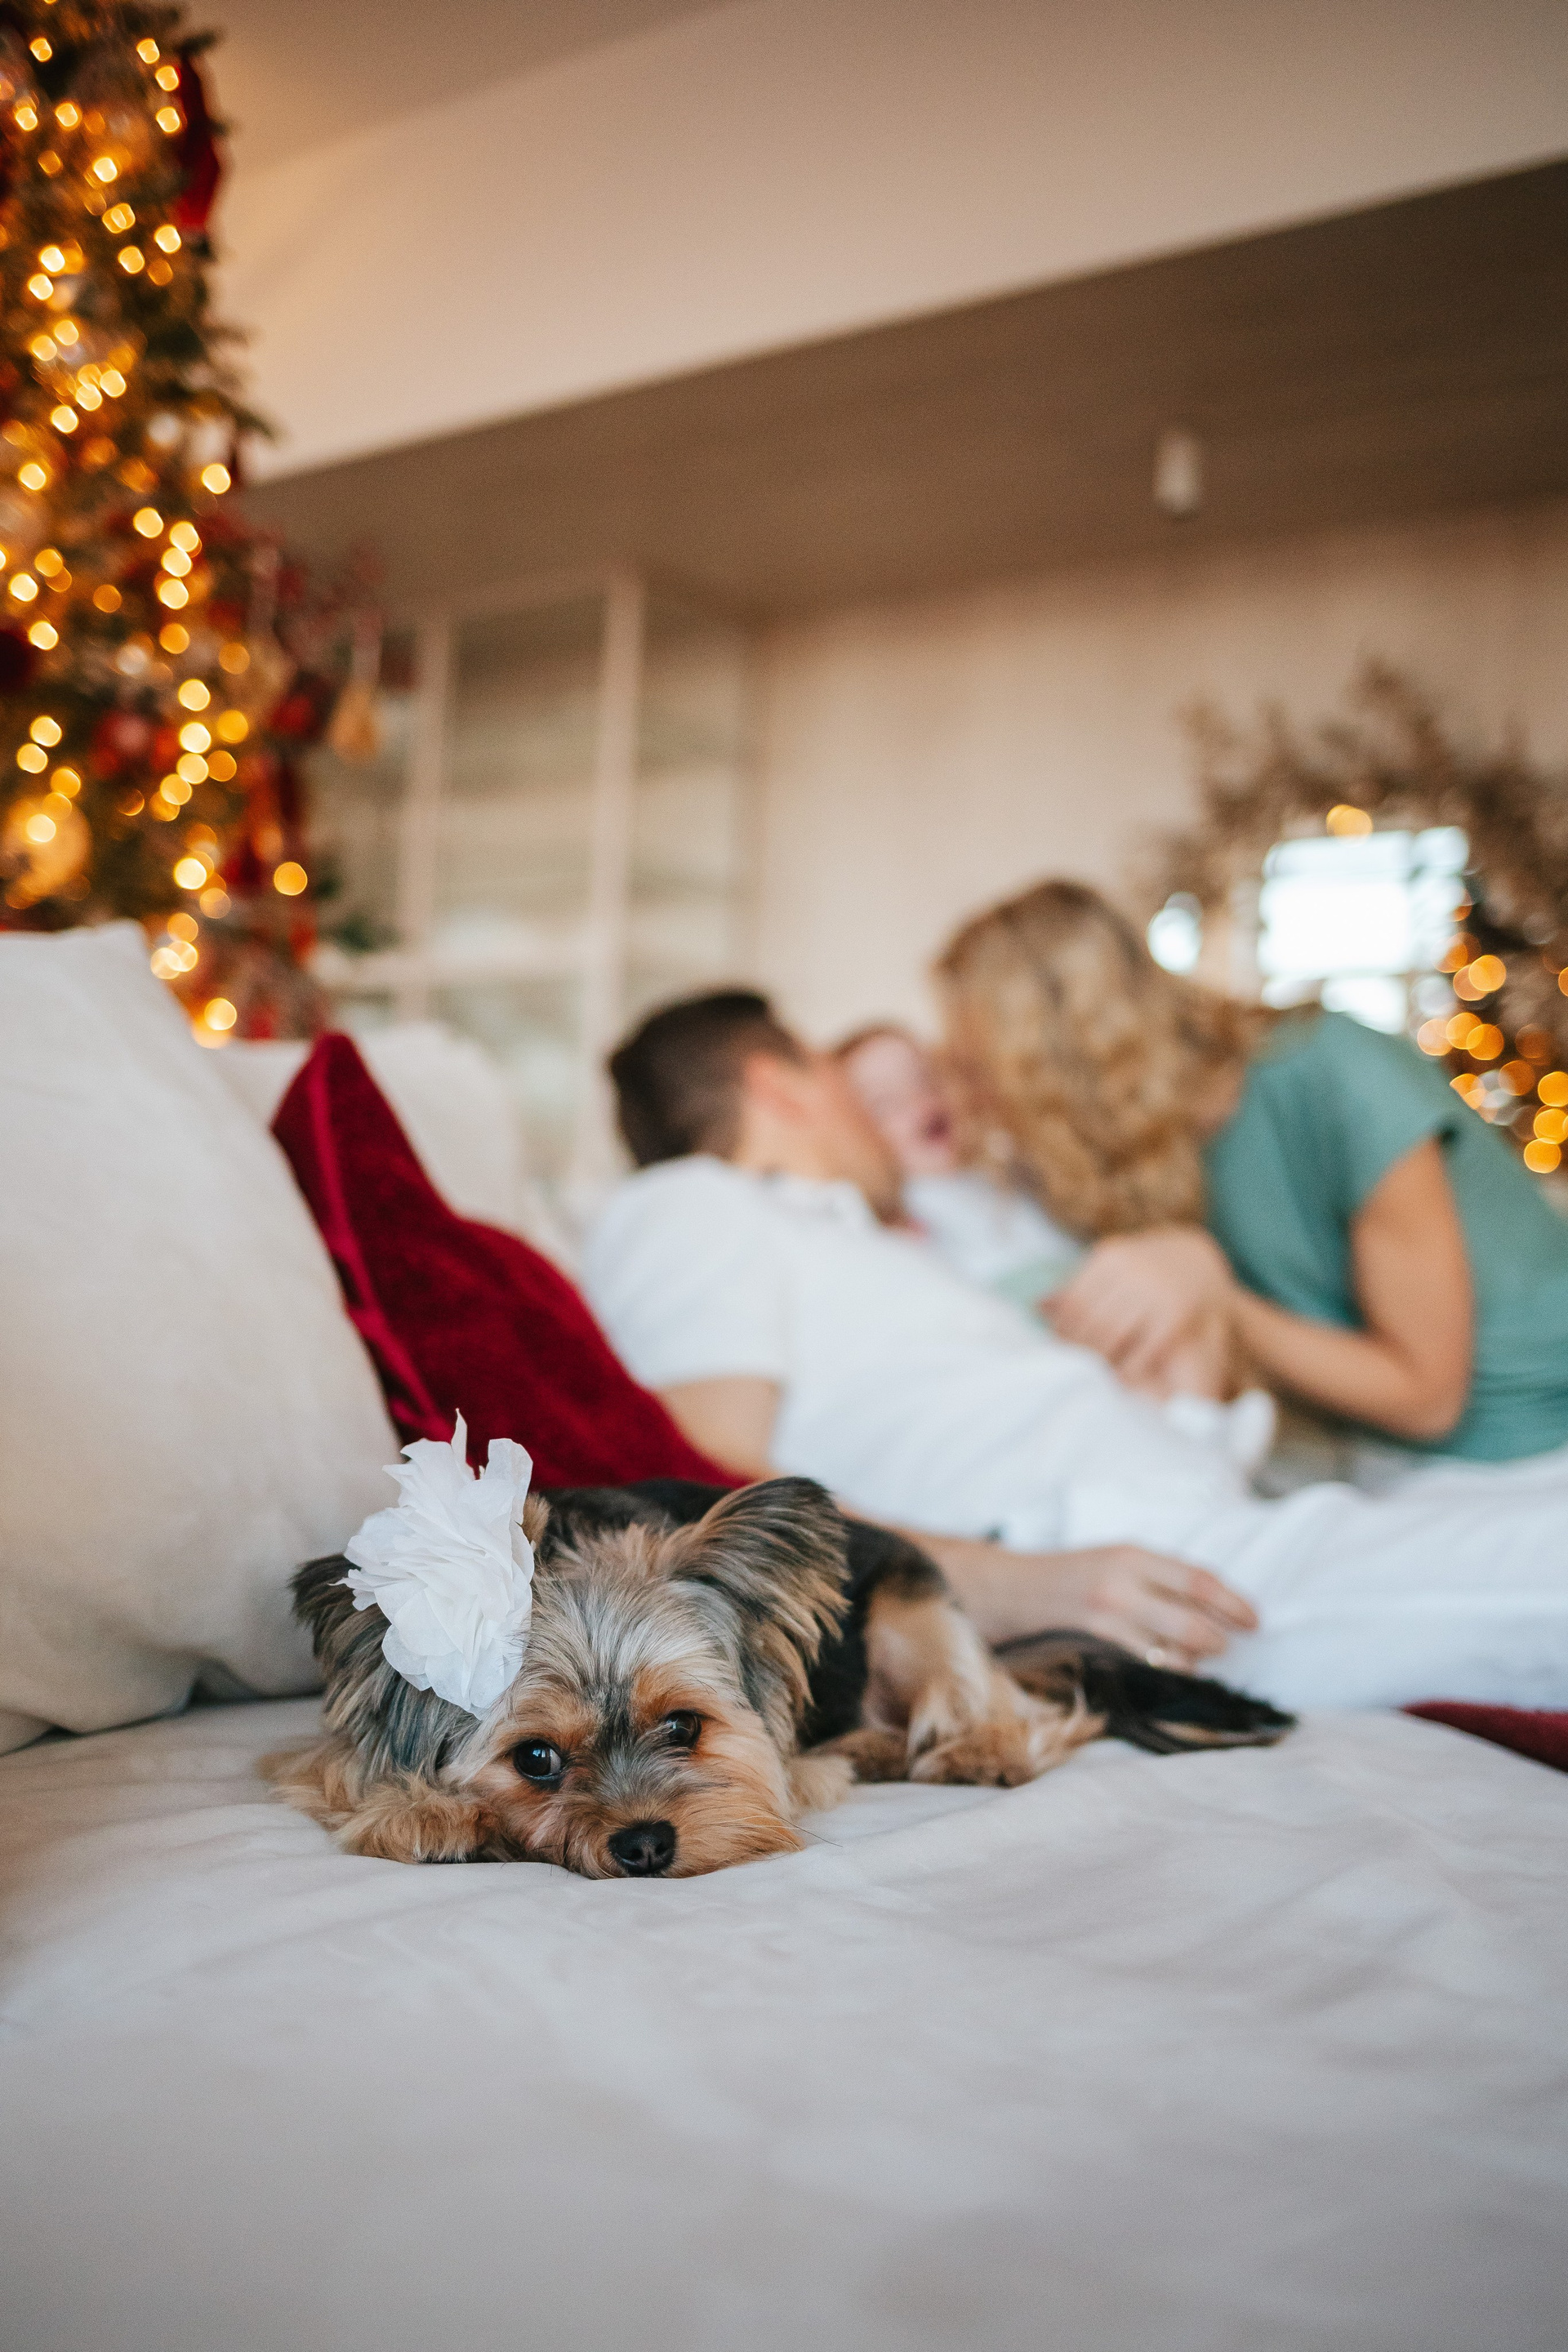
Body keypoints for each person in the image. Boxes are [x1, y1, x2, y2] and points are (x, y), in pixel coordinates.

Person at [582, 990, 1568, 1713]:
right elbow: (702, 1479)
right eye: (838, 1076)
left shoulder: (858, 1240)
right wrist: (998, 1588)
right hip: (1124, 1565)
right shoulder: (685, 1204)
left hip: (1195, 1517)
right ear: (778, 1084)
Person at [936, 880, 1568, 1471]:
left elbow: (1427, 1400)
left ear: (1052, 1061)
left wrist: (1214, 1290)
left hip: (1528, 1439)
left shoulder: (1334, 1070)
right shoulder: (1133, 1164)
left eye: (976, 1072)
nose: (972, 1101)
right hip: (1381, 1463)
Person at [835, 1023, 1085, 1310]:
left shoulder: (1001, 1169)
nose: (919, 1101)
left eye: (927, 1079)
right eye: (885, 1103)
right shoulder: (906, 1220)